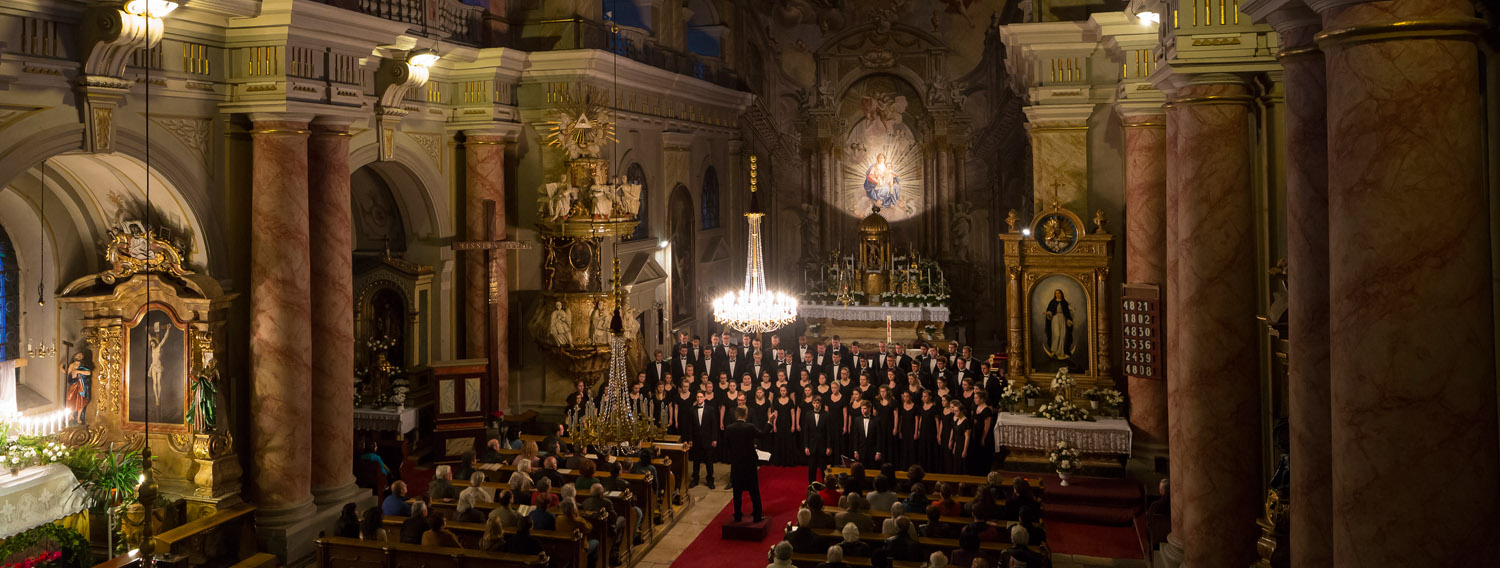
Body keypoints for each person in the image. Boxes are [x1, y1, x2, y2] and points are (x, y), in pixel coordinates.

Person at [723, 406, 769, 522]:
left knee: (737, 491)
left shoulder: (729, 428)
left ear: (735, 415)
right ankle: (757, 516)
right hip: (749, 463)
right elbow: (763, 434)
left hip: (736, 463)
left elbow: (728, 445)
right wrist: (770, 422)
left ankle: (737, 515)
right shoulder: (750, 427)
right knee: (754, 491)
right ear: (746, 415)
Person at [682, 390, 719, 488]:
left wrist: (714, 439)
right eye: (698, 397)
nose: (699, 399)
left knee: (709, 462)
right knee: (696, 461)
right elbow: (689, 426)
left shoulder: (710, 409)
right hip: (696, 440)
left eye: (701, 397)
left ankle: (710, 480)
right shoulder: (692, 410)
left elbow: (714, 425)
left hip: (708, 439)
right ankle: (695, 479)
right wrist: (690, 439)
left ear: (704, 397)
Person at [801, 396, 834, 483]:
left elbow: (829, 432)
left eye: (818, 403)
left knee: (823, 468)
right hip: (811, 446)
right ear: (812, 404)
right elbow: (806, 432)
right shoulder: (808, 414)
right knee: (811, 468)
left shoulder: (826, 415)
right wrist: (806, 446)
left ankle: (824, 485)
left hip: (822, 446)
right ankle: (811, 486)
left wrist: (829, 447)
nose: (816, 405)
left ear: (820, 404)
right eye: (814, 403)